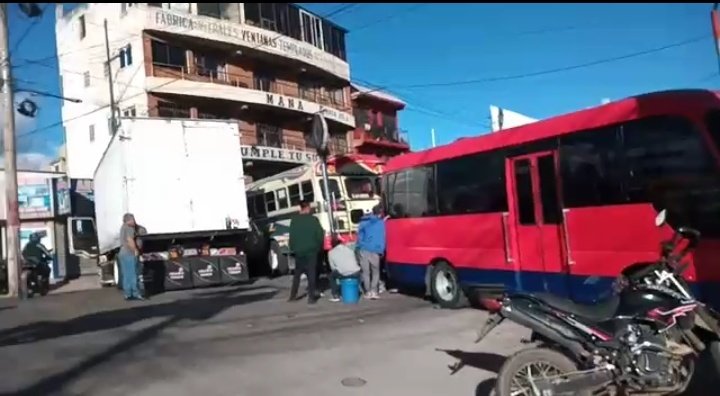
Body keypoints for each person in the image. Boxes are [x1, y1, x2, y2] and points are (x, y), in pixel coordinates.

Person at [288, 200, 324, 304]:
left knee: (297, 274)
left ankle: (292, 296)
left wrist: (293, 248)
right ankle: (311, 297)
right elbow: (320, 235)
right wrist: (318, 246)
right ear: (308, 208)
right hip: (311, 250)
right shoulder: (313, 220)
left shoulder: (294, 220)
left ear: (300, 208)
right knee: (311, 273)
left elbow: (292, 236)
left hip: (299, 251)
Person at [356, 205, 386, 300]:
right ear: (380, 213)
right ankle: (374, 291)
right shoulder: (381, 223)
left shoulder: (363, 222)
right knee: (376, 272)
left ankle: (368, 292)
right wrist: (382, 250)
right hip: (375, 250)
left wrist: (360, 245)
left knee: (365, 272)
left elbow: (359, 236)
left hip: (364, 249)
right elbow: (382, 238)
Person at [327, 238, 361, 302]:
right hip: (356, 272)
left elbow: (333, 267)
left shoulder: (331, 252)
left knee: (331, 276)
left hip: (344, 274)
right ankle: (357, 290)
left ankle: (335, 294)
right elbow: (355, 261)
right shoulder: (349, 249)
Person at [119, 213, 144, 301]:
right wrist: (135, 250)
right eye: (132, 219)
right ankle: (136, 293)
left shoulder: (123, 227)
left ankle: (128, 293)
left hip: (123, 253)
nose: (134, 221)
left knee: (126, 274)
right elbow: (130, 240)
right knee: (133, 273)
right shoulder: (129, 227)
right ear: (128, 221)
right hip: (129, 253)